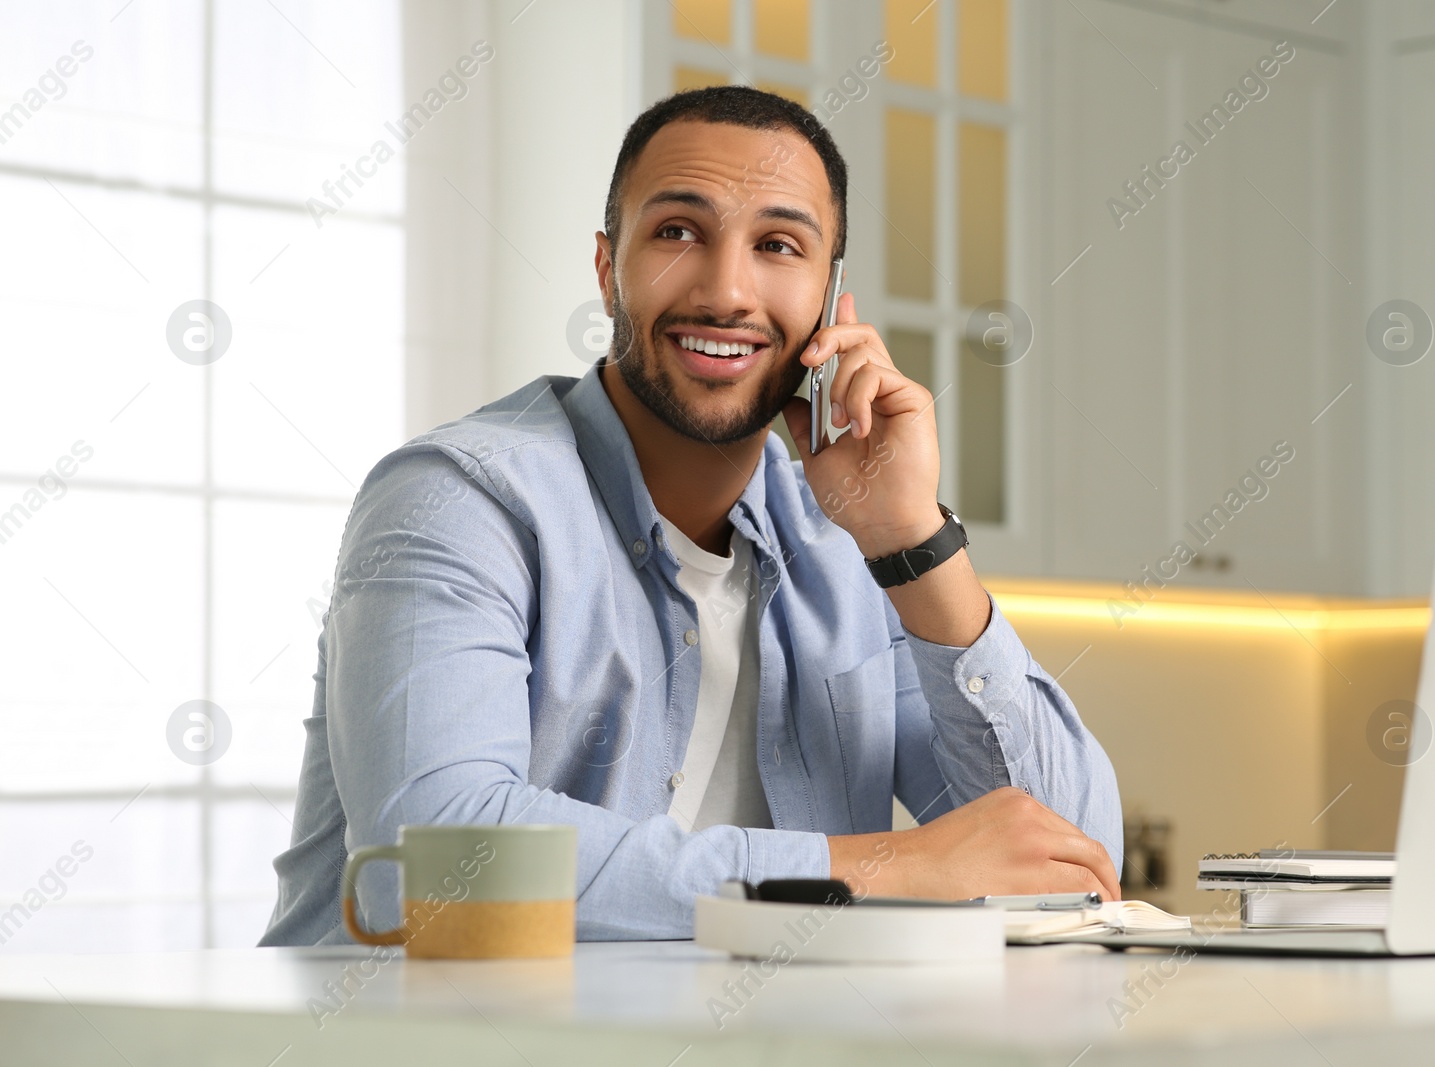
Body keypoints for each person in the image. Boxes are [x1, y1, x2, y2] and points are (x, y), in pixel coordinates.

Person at [261, 86, 1121, 945]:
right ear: (608, 269)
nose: (727, 291)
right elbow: (436, 857)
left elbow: (1074, 859)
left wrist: (912, 543)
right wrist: (884, 866)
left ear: (830, 297)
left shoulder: (844, 543)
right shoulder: (458, 499)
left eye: (779, 245)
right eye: (678, 233)